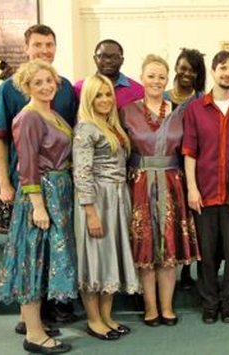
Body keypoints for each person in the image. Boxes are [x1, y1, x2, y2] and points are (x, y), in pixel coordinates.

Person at [0, 23, 78, 331]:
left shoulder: (64, 88)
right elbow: (1, 139)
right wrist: (6, 183)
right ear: (26, 47)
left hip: (59, 188)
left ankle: (41, 316)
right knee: (32, 254)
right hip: (33, 185)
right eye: (38, 45)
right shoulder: (13, 96)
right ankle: (31, 324)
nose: (44, 50)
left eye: (49, 44)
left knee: (47, 253)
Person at [120, 54, 200, 327]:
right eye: (151, 75)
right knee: (146, 249)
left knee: (168, 251)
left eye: (161, 77)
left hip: (171, 184)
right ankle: (150, 308)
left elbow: (189, 150)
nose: (156, 81)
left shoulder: (180, 111)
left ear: (168, 80)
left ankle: (167, 307)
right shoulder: (127, 111)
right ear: (141, 78)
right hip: (140, 185)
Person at [182, 51, 229, 324]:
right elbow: (190, 151)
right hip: (205, 192)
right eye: (223, 68)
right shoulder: (195, 108)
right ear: (213, 71)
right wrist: (191, 188)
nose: (228, 74)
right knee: (207, 255)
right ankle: (210, 304)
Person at [73, 74, 140, 341]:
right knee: (95, 260)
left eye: (107, 94)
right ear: (88, 98)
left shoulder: (112, 126)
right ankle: (93, 319)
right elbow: (82, 174)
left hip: (117, 197)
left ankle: (107, 316)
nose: (104, 99)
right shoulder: (85, 129)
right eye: (98, 95)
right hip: (97, 200)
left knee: (110, 257)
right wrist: (90, 212)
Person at [162, 47, 207, 288]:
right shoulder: (163, 98)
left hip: (193, 167)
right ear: (176, 68)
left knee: (192, 222)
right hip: (166, 166)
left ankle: (190, 270)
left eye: (192, 69)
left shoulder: (201, 100)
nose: (186, 73)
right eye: (183, 67)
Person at [74, 39, 144, 109]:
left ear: (122, 60)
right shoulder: (80, 88)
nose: (108, 61)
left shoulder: (138, 91)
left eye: (114, 57)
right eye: (102, 56)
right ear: (95, 59)